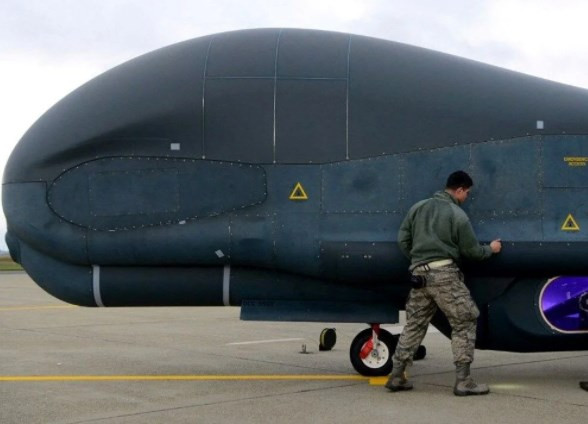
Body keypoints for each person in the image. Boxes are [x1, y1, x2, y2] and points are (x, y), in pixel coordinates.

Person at [385, 170, 502, 396]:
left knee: (414, 325)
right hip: (445, 275)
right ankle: (464, 381)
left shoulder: (417, 208)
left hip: (419, 276)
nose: (466, 197)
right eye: (467, 193)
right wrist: (492, 249)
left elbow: (402, 240)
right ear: (459, 190)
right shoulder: (456, 215)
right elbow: (472, 252)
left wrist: (419, 259)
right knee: (465, 320)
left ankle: (397, 375)